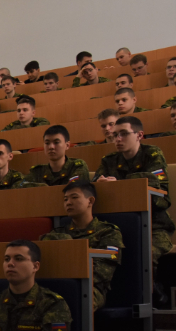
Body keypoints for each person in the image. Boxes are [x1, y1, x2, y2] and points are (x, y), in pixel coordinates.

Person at [95, 115, 174, 264]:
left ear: (139, 135)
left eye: (124, 134)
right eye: (115, 135)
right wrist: (100, 185)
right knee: (104, 257)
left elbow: (161, 197)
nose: (118, 139)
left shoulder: (152, 154)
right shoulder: (109, 160)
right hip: (119, 225)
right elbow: (95, 189)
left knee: (144, 257)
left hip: (154, 227)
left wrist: (120, 186)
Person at [41, 182, 123, 311]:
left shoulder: (107, 232)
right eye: (65, 199)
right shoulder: (58, 233)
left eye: (74, 197)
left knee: (70, 299)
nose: (68, 202)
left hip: (90, 288)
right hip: (58, 283)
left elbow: (103, 272)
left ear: (90, 201)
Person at [23, 126, 89, 186]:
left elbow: (74, 189)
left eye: (56, 142)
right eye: (47, 143)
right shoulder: (37, 172)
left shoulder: (77, 167)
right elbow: (21, 186)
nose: (51, 147)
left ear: (67, 145)